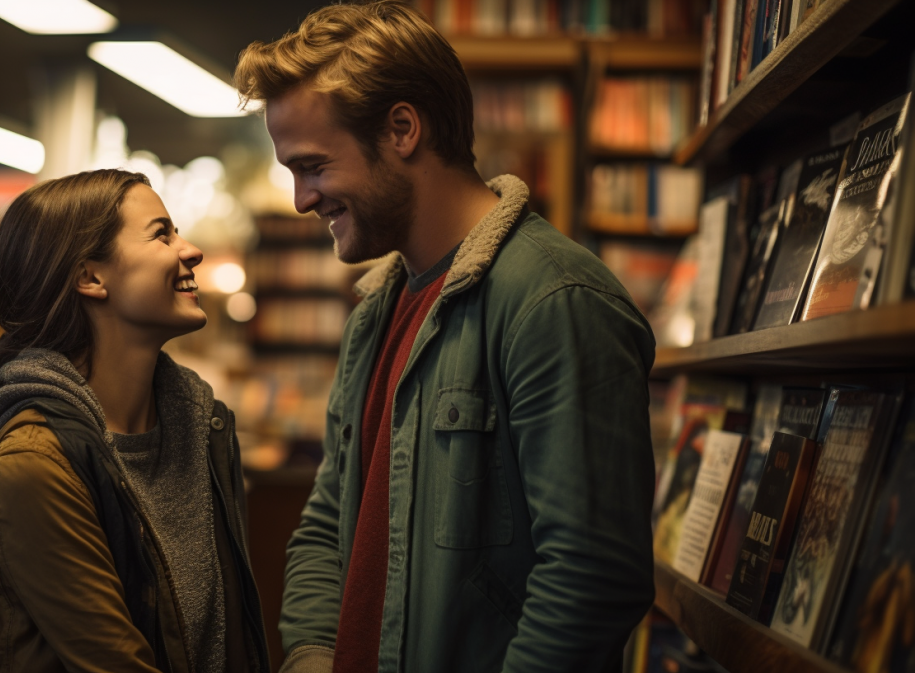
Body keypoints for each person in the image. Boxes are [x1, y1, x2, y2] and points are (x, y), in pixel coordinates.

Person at [234, 3, 657, 672]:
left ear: (402, 128)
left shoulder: (555, 301)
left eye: (313, 166)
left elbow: (591, 577)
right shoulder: (375, 311)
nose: (301, 199)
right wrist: (314, 657)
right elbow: (325, 523)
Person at [0, 169, 269, 673]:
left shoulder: (200, 429)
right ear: (90, 278)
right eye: (161, 233)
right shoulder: (34, 465)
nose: (192, 251)